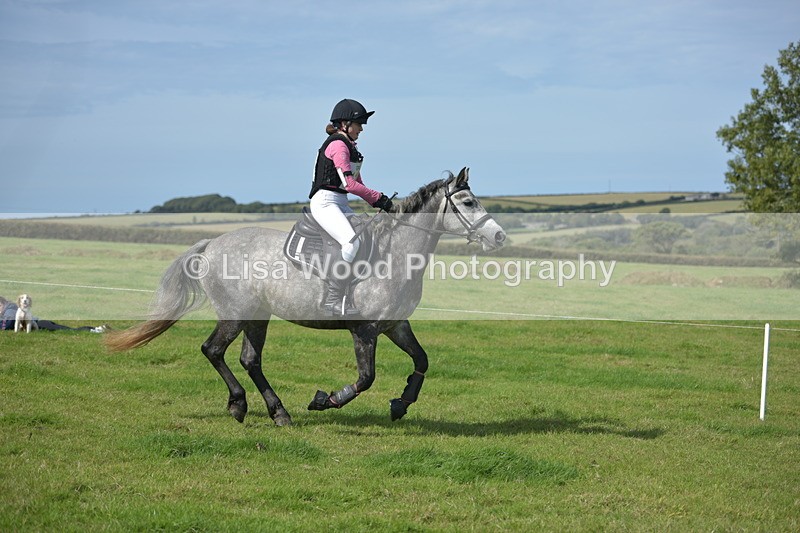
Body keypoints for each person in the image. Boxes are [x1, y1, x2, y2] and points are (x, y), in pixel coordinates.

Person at [309, 98, 394, 317]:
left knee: (366, 235)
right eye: (359, 124)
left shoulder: (350, 147)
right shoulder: (338, 145)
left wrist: (377, 202)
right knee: (351, 243)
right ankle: (332, 299)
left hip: (340, 202)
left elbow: (358, 183)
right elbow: (350, 185)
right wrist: (378, 198)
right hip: (325, 202)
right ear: (345, 124)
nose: (362, 129)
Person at [0, 296, 108, 333]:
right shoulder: (7, 310)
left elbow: (8, 324)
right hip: (40, 324)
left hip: (40, 325)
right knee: (68, 330)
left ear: (2, 303)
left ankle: (94, 330)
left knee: (70, 331)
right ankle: (96, 329)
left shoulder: (10, 309)